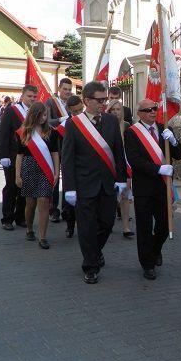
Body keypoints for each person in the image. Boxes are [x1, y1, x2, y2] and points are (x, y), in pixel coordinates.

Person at [61, 81, 127, 284]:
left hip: (107, 184)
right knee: (87, 227)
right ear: (87, 100)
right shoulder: (73, 124)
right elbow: (68, 157)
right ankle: (90, 265)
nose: (103, 103)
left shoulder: (110, 121)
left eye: (105, 99)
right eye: (100, 100)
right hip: (84, 185)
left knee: (107, 223)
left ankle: (95, 251)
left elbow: (118, 152)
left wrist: (122, 180)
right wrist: (70, 188)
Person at [125, 99, 181, 279]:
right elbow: (134, 160)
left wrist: (174, 142)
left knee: (165, 225)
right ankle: (147, 264)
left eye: (155, 109)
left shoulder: (164, 129)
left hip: (163, 186)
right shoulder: (132, 133)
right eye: (148, 110)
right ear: (140, 113)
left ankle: (155, 249)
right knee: (144, 226)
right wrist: (157, 168)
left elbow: (179, 155)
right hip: (144, 187)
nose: (153, 112)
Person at [15, 102, 60, 249]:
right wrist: (17, 175)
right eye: (40, 115)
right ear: (34, 115)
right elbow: (19, 156)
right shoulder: (25, 132)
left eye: (45, 115)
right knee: (30, 203)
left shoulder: (51, 132)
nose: (43, 118)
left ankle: (42, 237)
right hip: (29, 167)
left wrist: (56, 172)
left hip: (45, 169)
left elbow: (55, 154)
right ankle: (29, 228)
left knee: (44, 201)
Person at [0, 85, 38, 230]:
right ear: (22, 96)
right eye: (29, 96)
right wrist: (3, 155)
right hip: (12, 155)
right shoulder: (11, 110)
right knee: (11, 186)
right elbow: (4, 133)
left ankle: (20, 216)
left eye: (34, 97)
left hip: (29, 156)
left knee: (25, 187)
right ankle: (7, 218)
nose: (32, 99)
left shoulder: (36, 112)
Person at [46, 77, 73, 223]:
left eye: (69, 89)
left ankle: (66, 209)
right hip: (55, 146)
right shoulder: (50, 102)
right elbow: (46, 121)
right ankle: (53, 209)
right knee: (55, 178)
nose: (68, 92)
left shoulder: (72, 103)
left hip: (69, 146)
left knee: (68, 177)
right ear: (59, 88)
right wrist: (60, 120)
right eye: (65, 89)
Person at [107, 99, 135, 239]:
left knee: (124, 195)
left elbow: (130, 150)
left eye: (118, 109)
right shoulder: (104, 125)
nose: (116, 112)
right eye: (113, 109)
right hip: (109, 165)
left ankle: (125, 227)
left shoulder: (127, 126)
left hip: (124, 165)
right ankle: (108, 223)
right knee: (110, 196)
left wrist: (130, 172)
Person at [58, 95, 84, 238]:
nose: (79, 114)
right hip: (71, 165)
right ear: (69, 111)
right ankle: (69, 224)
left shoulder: (89, 121)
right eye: (75, 112)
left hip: (85, 166)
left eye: (81, 110)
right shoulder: (66, 125)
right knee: (70, 198)